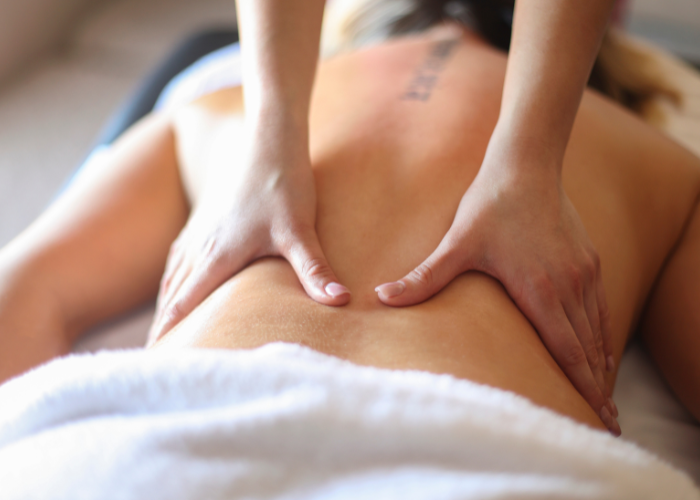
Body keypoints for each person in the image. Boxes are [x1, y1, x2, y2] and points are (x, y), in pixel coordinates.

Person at [0, 5, 697, 438]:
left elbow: (25, 292)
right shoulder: (663, 165)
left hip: (164, 439)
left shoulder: (209, 112)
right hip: (487, 455)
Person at [148, 0, 623, 425]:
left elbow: (67, 285)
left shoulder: (208, 111)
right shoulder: (641, 152)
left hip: (192, 416)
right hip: (484, 444)